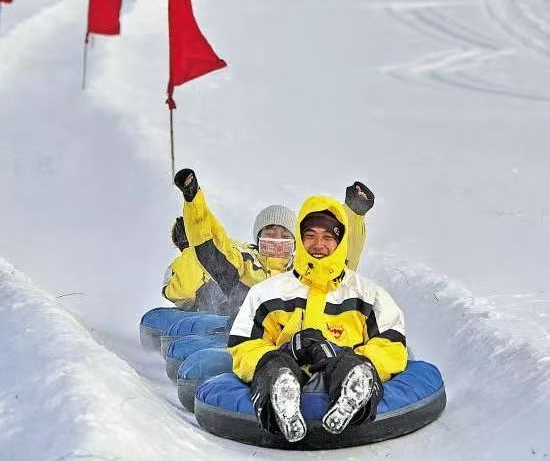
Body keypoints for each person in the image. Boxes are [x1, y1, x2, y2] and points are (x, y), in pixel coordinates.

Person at [227, 195, 407, 442]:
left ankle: (354, 391)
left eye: (328, 237)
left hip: (344, 364)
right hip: (285, 363)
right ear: (300, 241)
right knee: (275, 365)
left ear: (339, 242)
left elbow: (391, 343)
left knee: (349, 364)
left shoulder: (367, 294)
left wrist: (348, 356)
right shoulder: (266, 293)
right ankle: (282, 394)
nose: (318, 245)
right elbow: (244, 345)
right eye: (310, 236)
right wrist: (285, 352)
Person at [173, 168, 374, 315]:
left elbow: (339, 257)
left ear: (296, 243)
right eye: (270, 232)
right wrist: (193, 200)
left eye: (285, 235)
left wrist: (354, 213)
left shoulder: (307, 269)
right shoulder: (243, 265)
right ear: (258, 238)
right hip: (250, 339)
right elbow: (211, 245)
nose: (277, 240)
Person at [162, 216, 228, 314]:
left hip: (219, 311)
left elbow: (185, 293)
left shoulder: (180, 264)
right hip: (229, 307)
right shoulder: (224, 250)